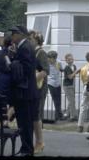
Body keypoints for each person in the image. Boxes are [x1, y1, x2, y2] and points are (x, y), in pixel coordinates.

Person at [9, 25, 39, 156]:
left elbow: (26, 69)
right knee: (24, 122)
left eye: (14, 33)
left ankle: (27, 149)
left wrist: (13, 64)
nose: (12, 35)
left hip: (24, 92)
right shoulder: (24, 46)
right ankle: (26, 147)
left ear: (21, 34)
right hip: (26, 91)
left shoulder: (25, 47)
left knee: (25, 122)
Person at [31, 31, 48, 154]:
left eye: (30, 39)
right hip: (33, 87)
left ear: (37, 40)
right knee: (34, 115)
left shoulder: (41, 52)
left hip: (39, 87)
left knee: (37, 114)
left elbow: (45, 70)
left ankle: (39, 141)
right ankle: (37, 141)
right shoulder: (32, 52)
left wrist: (32, 79)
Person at [77, 52, 89, 134]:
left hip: (85, 86)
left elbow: (82, 79)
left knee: (83, 106)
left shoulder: (83, 68)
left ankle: (80, 125)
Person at [46, 50, 63, 121]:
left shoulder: (58, 62)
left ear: (54, 58)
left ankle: (58, 115)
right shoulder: (46, 63)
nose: (49, 59)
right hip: (50, 82)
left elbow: (61, 69)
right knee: (55, 99)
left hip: (58, 82)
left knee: (58, 99)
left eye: (51, 58)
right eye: (48, 58)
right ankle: (58, 115)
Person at [62, 53, 78, 121]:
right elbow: (70, 77)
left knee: (71, 100)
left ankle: (66, 114)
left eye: (71, 59)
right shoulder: (67, 68)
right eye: (69, 59)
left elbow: (73, 75)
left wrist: (75, 72)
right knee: (72, 101)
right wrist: (76, 72)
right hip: (67, 86)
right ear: (66, 61)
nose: (71, 60)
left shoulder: (74, 66)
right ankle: (72, 116)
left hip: (72, 85)